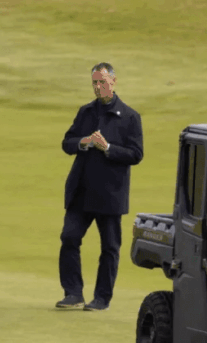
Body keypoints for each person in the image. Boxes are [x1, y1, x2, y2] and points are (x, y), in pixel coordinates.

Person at [56, 62, 143, 311]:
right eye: (94, 82)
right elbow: (67, 142)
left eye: (102, 82)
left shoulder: (129, 117)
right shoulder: (86, 112)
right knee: (69, 238)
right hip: (81, 190)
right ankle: (73, 293)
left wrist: (108, 148)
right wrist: (84, 141)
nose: (98, 87)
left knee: (109, 248)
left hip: (110, 194)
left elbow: (136, 154)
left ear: (114, 82)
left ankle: (102, 299)